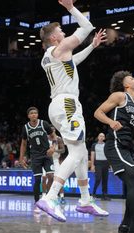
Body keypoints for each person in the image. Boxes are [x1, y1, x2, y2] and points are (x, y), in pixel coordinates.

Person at [35, 0, 108, 222]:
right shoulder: (59, 48)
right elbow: (86, 27)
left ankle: (85, 200)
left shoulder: (51, 56)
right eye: (60, 31)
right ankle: (50, 197)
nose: (63, 32)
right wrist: (71, 8)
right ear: (54, 38)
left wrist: (92, 47)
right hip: (67, 104)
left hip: (58, 105)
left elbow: (74, 61)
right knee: (76, 153)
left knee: (82, 151)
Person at [94, 70, 134, 233]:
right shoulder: (120, 96)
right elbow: (97, 112)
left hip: (128, 147)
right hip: (115, 145)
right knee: (133, 180)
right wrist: (111, 122)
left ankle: (125, 225)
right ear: (126, 85)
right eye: (132, 79)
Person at [19, 107, 55, 207]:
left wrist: (53, 147)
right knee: (38, 180)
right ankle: (36, 201)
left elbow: (54, 136)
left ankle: (48, 197)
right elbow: (24, 143)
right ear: (28, 116)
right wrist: (21, 158)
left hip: (46, 154)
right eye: (31, 113)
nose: (34, 114)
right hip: (35, 156)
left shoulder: (44, 124)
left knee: (51, 176)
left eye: (35, 113)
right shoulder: (26, 128)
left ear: (37, 115)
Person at [91, 132, 111, 201]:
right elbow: (92, 155)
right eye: (100, 136)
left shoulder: (106, 145)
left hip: (106, 163)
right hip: (98, 163)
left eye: (103, 136)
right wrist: (92, 165)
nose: (101, 137)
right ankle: (93, 193)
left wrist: (110, 164)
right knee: (98, 179)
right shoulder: (94, 145)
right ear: (98, 137)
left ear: (104, 138)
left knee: (105, 180)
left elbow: (109, 155)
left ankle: (104, 195)